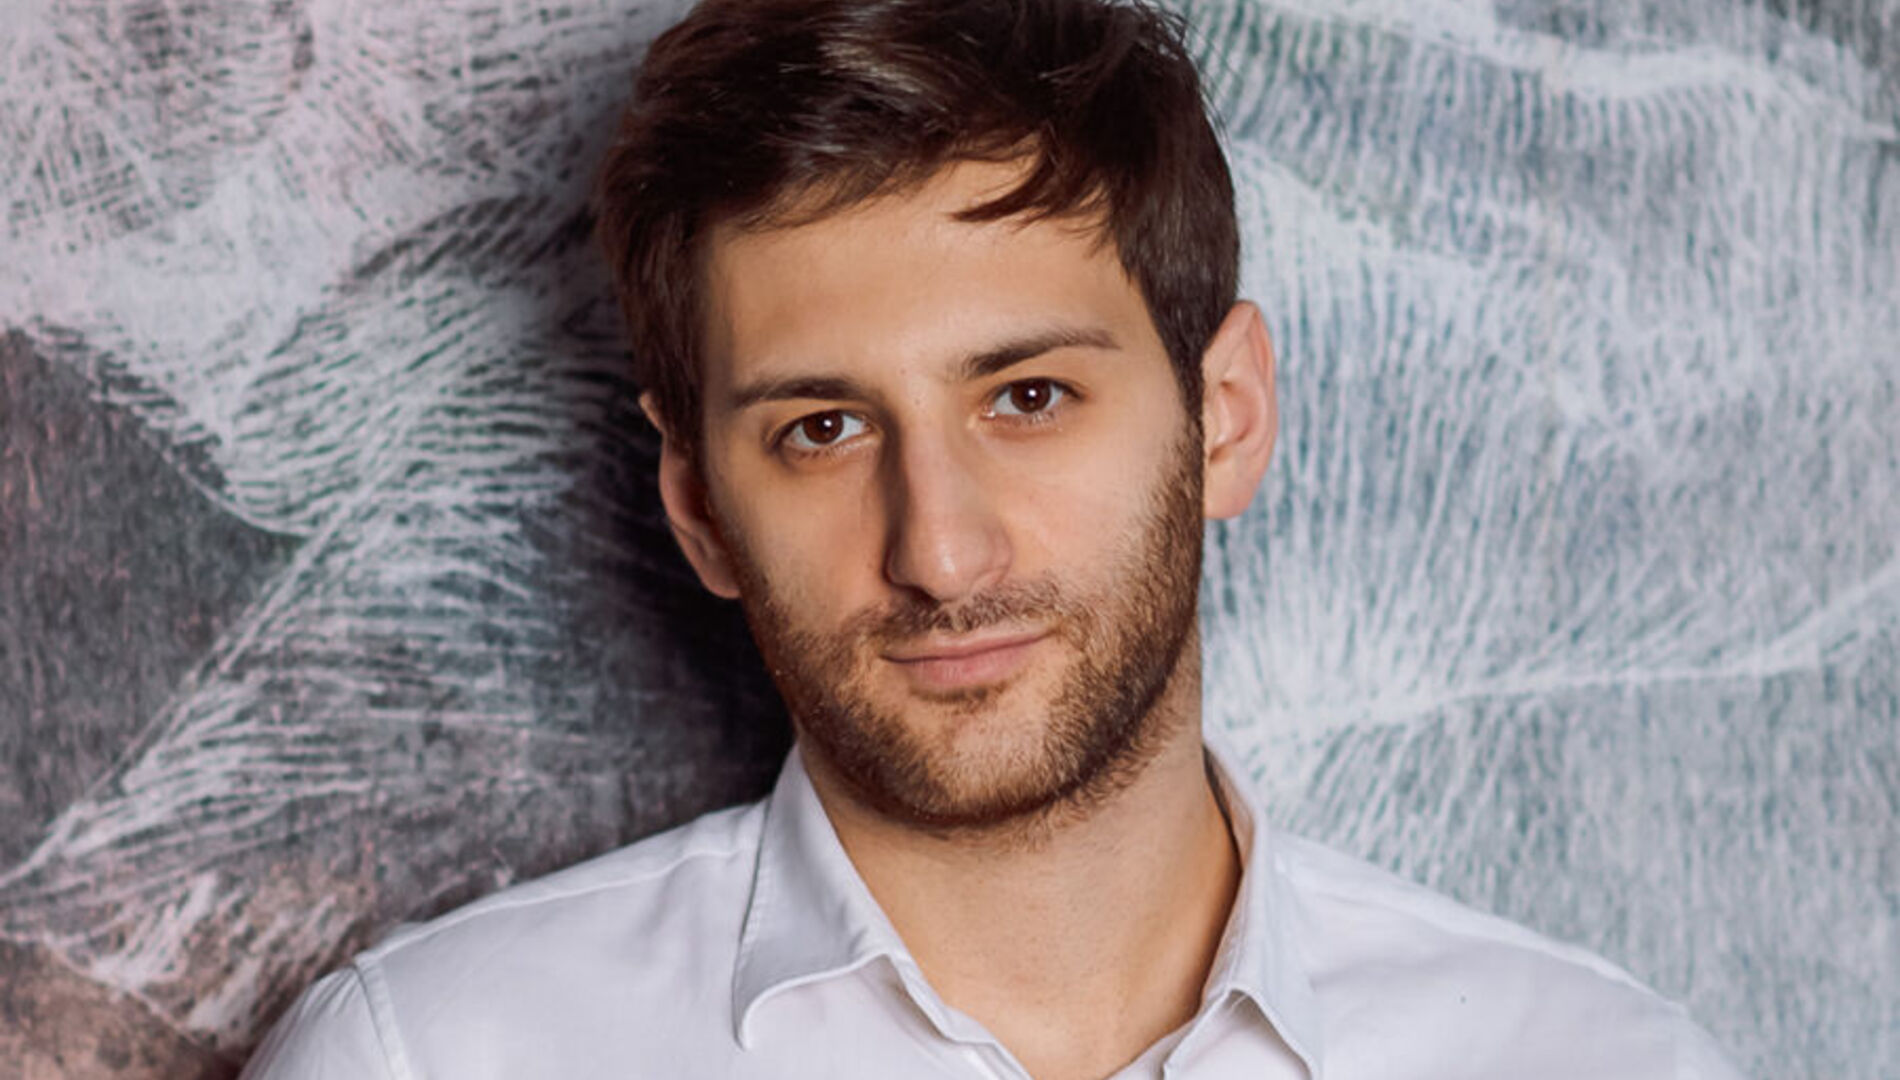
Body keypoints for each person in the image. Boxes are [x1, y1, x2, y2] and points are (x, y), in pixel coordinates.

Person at [244, 0, 1745, 1076]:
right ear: (700, 508)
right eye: (821, 428)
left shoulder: (1601, 1060)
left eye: (1028, 397)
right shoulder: (430, 1057)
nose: (941, 555)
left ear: (1224, 417)